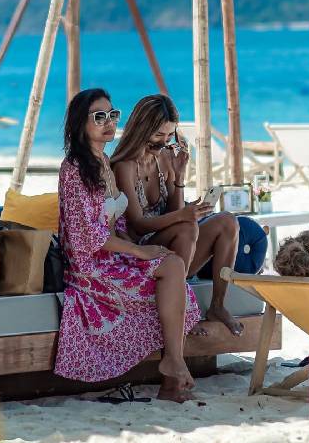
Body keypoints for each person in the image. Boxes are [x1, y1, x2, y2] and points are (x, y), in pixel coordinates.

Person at [54, 89, 201, 403]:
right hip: (91, 267)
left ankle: (172, 369)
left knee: (173, 265)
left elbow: (116, 223)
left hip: (115, 256)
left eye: (113, 114)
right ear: (80, 123)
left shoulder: (103, 162)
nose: (109, 122)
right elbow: (85, 237)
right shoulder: (75, 169)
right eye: (99, 116)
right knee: (171, 272)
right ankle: (173, 369)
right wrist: (140, 251)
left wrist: (139, 248)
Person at [111, 95, 243, 336]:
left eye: (169, 135)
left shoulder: (164, 158)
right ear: (142, 129)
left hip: (176, 249)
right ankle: (182, 311)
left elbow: (174, 212)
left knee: (227, 221)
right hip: (141, 252)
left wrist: (180, 178)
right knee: (188, 226)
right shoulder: (124, 167)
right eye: (158, 135)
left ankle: (217, 306)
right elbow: (138, 225)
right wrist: (184, 215)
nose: (164, 142)